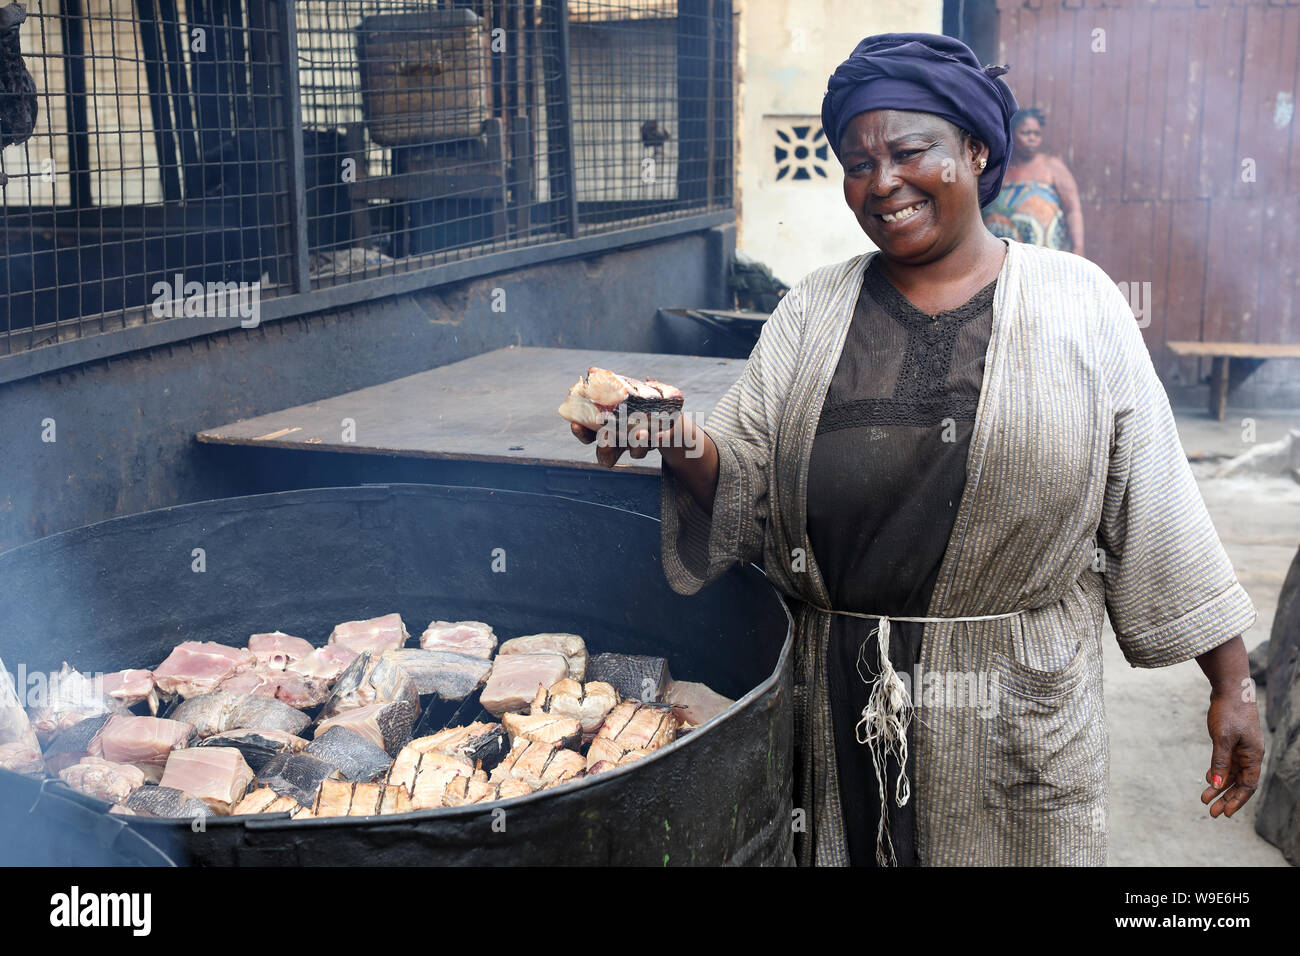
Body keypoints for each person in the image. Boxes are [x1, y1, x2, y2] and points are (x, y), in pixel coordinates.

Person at [570, 33, 1262, 867]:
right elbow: (745, 483)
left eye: (909, 150)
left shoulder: (1083, 305)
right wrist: (678, 442)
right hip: (835, 705)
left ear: (975, 147)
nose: (882, 181)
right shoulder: (812, 310)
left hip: (1014, 709)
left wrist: (1232, 684)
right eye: (857, 162)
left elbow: (1158, 507)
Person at [983, 107, 1085, 256]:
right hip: (1002, 256)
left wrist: (1078, 247)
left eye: (1036, 133)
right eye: (1025, 133)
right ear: (1011, 135)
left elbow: (1073, 209)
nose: (1032, 138)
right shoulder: (999, 169)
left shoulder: (1052, 166)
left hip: (1046, 254)